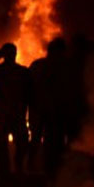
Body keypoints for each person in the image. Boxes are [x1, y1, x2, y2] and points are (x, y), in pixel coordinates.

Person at [0, 43, 30, 178]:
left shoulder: (20, 71)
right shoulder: (1, 70)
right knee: (9, 143)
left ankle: (12, 169)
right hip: (7, 112)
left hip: (13, 113)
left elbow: (29, 92)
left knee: (15, 143)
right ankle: (7, 171)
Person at [28, 37, 68, 173]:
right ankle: (36, 169)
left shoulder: (38, 65)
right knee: (43, 140)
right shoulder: (60, 67)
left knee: (44, 141)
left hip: (47, 111)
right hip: (45, 111)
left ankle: (42, 170)